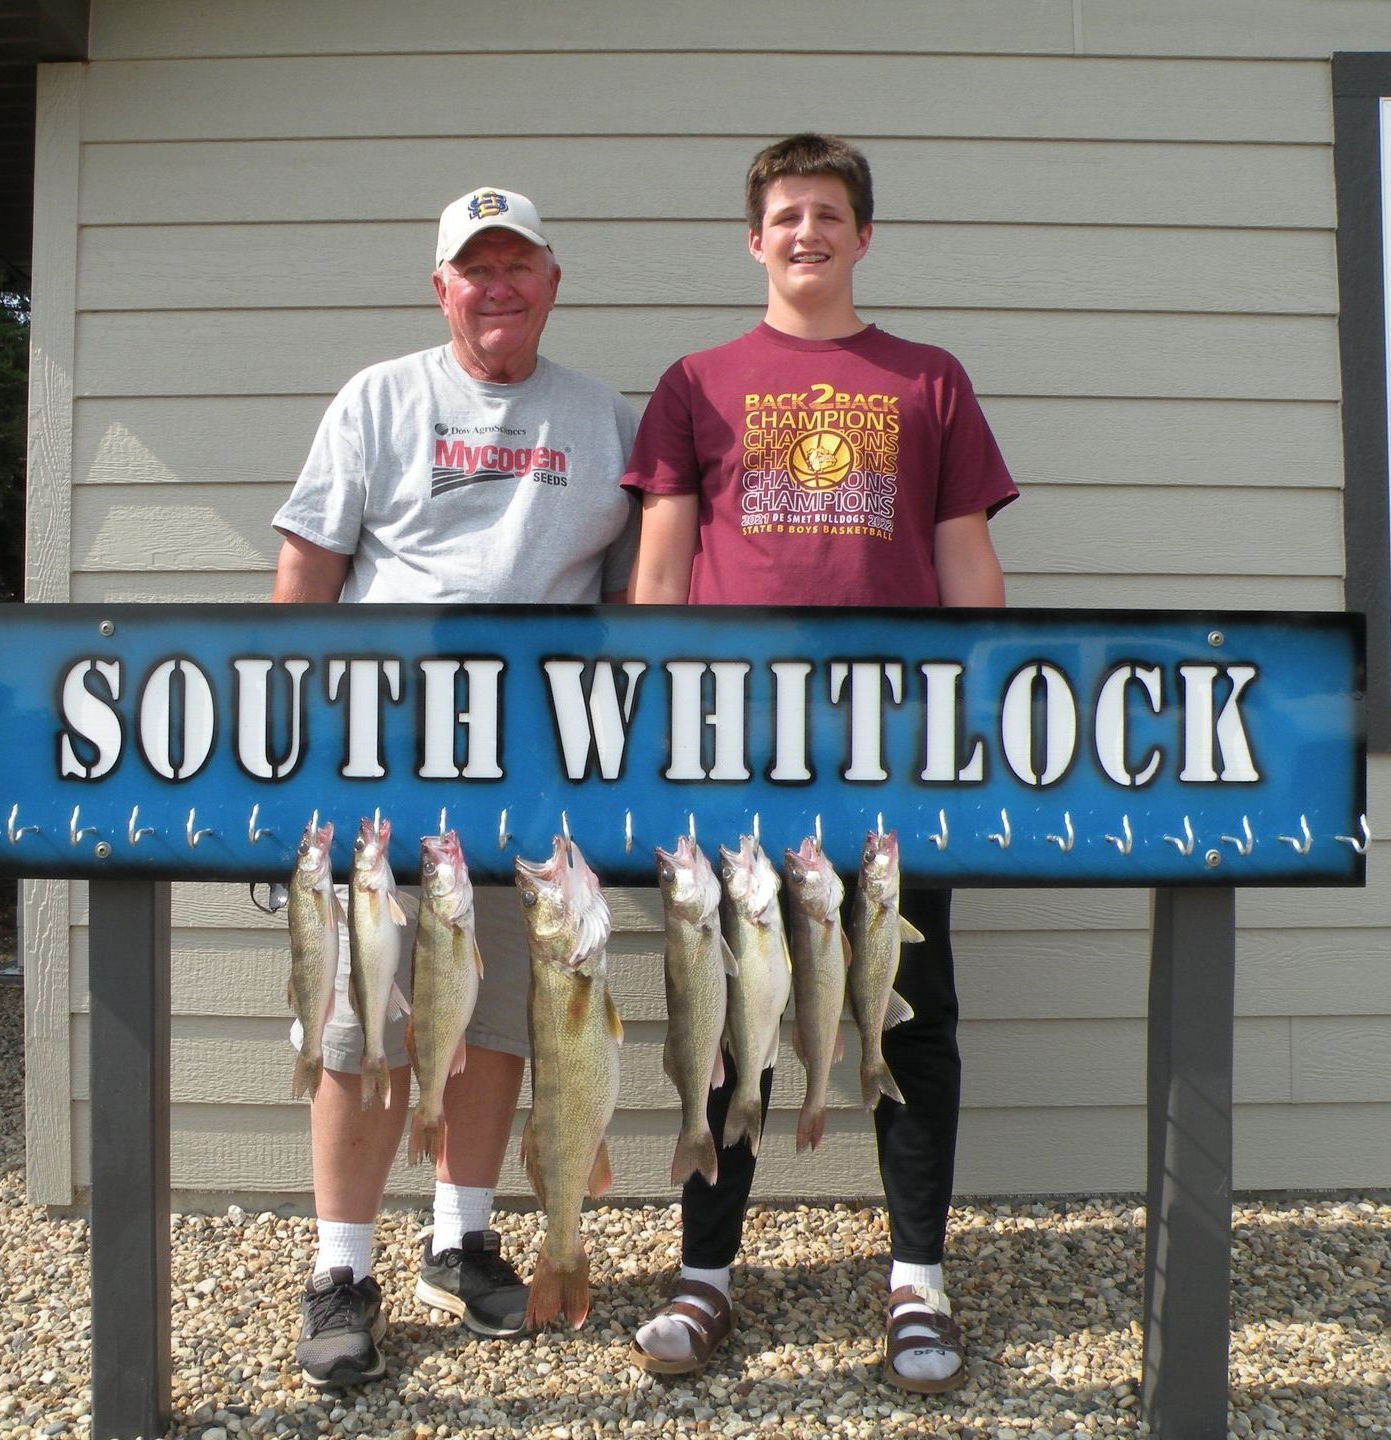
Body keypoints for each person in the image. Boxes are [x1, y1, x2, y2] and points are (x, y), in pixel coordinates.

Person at [621, 134, 1017, 1393]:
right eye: (785, 214)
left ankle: (915, 1284)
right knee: (729, 1012)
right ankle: (705, 1275)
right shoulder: (695, 380)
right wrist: (653, 729)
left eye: (828, 214)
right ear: (754, 239)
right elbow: (661, 567)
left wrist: (982, 714)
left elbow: (964, 562)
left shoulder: (928, 378)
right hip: (735, 753)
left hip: (895, 752)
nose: (806, 233)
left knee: (910, 1011)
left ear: (861, 235)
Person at [270, 185, 639, 1388]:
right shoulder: (378, 400)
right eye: (472, 269)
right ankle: (340, 1269)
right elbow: (307, 575)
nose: (496, 286)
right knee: (363, 1018)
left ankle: (462, 1237)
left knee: (496, 1011)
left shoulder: (601, 419)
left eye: (516, 264)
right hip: (385, 764)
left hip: (535, 769)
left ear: (551, 278)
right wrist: (292, 750)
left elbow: (640, 599)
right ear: (441, 287)